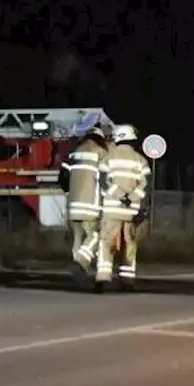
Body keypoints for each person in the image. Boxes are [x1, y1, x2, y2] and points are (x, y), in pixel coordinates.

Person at [95, 124, 151, 292]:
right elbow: (145, 185)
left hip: (112, 209)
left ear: (117, 137)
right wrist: (131, 198)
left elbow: (104, 181)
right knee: (130, 245)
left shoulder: (108, 157)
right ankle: (127, 280)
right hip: (132, 211)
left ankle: (103, 278)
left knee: (106, 243)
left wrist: (119, 195)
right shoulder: (141, 160)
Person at [59, 126, 110, 274]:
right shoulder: (102, 153)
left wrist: (70, 193)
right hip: (91, 205)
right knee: (95, 235)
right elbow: (106, 180)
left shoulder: (74, 153)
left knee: (77, 238)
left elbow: (62, 177)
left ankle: (77, 266)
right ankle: (81, 264)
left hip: (73, 205)